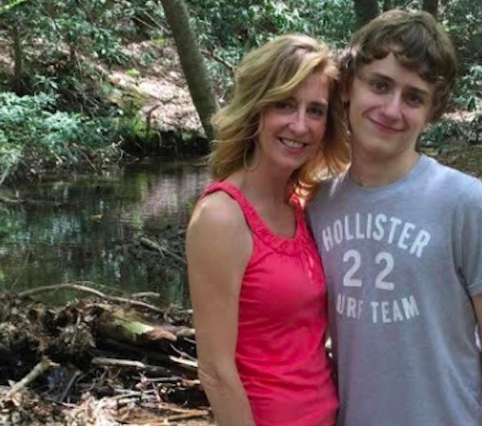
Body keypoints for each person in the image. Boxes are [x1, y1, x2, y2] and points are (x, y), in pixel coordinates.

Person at [306, 10, 482, 426]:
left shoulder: (462, 200)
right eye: (380, 85)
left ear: (430, 111)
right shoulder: (318, 204)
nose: (391, 109)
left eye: (414, 97)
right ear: (348, 86)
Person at [185, 34, 350, 426]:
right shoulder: (221, 217)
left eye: (316, 110)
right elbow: (215, 370)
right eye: (285, 104)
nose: (300, 124)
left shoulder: (305, 206)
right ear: (256, 108)